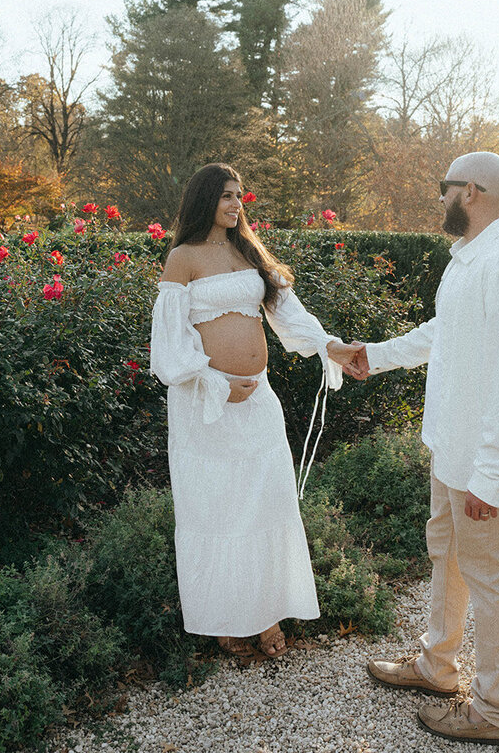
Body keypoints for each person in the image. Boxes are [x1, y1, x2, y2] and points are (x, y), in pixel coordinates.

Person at [349, 152, 499, 747]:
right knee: (446, 554)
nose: (439, 200)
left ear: (469, 192)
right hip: (452, 445)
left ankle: (496, 710)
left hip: (481, 460)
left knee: (492, 575)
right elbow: (444, 335)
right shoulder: (467, 260)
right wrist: (378, 353)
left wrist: (490, 475)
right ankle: (436, 666)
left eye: (444, 190)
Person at [150, 163, 361, 659]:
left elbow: (287, 311)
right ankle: (227, 616)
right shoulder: (182, 259)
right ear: (205, 200)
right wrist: (214, 383)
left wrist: (330, 346)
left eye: (239, 196)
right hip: (207, 405)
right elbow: (168, 345)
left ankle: (266, 614)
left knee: (264, 503)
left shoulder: (247, 251)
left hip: (258, 400)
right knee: (219, 509)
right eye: (226, 196)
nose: (235, 204)